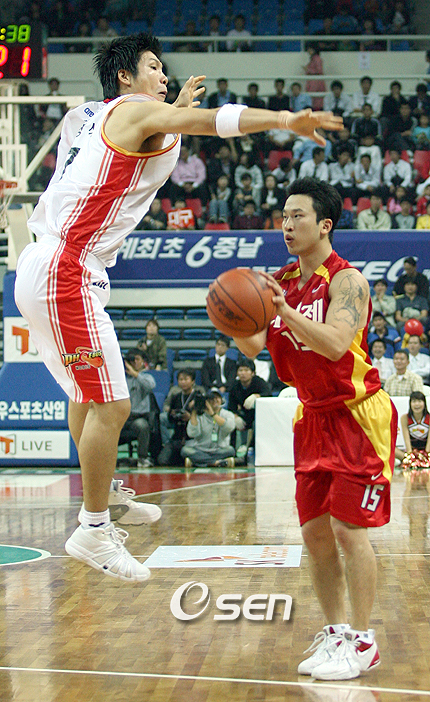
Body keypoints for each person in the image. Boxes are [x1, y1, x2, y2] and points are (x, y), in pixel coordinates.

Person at [14, 32, 342, 582]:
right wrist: (285, 119)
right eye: (153, 67)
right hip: (66, 267)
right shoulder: (135, 110)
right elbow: (216, 122)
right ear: (126, 77)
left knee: (85, 394)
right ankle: (93, 528)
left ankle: (104, 494)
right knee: (113, 406)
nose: (163, 75)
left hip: (53, 264)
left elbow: (122, 144)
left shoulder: (95, 116)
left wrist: (171, 114)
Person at [233, 177, 397, 681]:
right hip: (311, 416)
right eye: (283, 216)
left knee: (348, 529)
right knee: (314, 534)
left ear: (324, 225)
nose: (286, 225)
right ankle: (336, 633)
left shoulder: (347, 282)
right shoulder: (278, 281)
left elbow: (334, 343)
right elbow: (253, 347)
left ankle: (364, 642)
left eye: (297, 216)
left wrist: (283, 310)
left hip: (357, 414)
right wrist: (234, 313)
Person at [119, 348, 160, 468]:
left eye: (137, 359)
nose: (135, 362)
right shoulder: (120, 379)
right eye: (132, 360)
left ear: (142, 361)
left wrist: (135, 374)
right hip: (121, 418)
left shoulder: (146, 377)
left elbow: (151, 385)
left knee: (142, 426)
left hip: (137, 418)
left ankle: (142, 458)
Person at [181, 391, 236, 468]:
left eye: (217, 398)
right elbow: (192, 434)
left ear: (221, 400)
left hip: (219, 450)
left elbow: (229, 427)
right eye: (211, 399)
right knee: (185, 450)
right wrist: (194, 412)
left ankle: (198, 462)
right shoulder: (200, 415)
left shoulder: (227, 414)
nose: (215, 400)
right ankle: (216, 462)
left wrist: (213, 414)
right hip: (200, 449)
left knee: (231, 450)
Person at [227, 358, 271, 450]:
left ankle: (253, 448)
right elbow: (231, 407)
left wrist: (257, 396)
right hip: (244, 415)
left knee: (257, 424)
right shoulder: (234, 386)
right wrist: (235, 417)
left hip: (259, 416)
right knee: (231, 422)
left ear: (252, 373)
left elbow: (268, 394)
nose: (243, 373)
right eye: (240, 370)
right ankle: (233, 450)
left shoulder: (259, 382)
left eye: (246, 370)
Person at [400, 391, 430, 456]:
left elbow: (429, 444)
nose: (417, 404)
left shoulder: (429, 418)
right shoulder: (404, 418)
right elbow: (406, 439)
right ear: (410, 403)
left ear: (424, 403)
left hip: (427, 451)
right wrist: (410, 454)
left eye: (419, 401)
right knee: (392, 448)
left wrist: (426, 454)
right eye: (414, 401)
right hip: (411, 451)